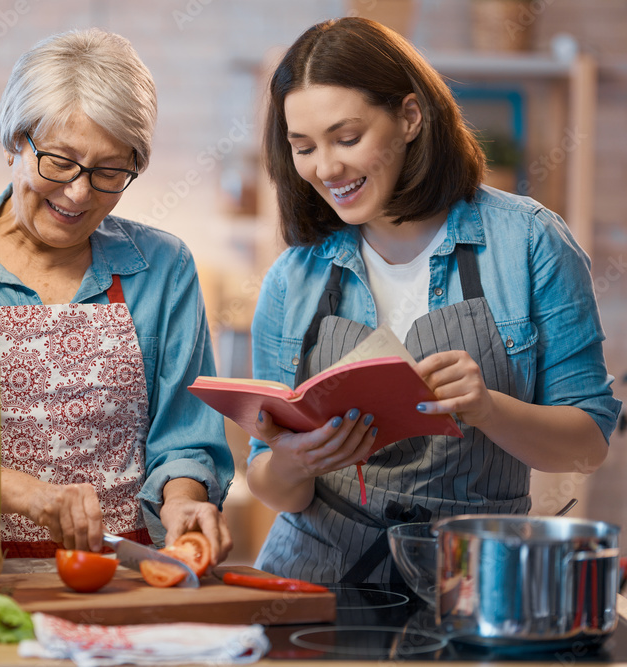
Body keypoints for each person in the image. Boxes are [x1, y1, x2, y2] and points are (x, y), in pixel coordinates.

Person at [246, 17, 621, 584]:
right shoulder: (292, 278)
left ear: (409, 116)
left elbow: (587, 447)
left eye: (347, 138)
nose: (325, 168)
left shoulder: (529, 242)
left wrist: (490, 409)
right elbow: (271, 485)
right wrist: (294, 461)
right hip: (311, 581)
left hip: (472, 580)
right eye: (303, 147)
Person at [0, 28, 234, 563]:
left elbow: (184, 438)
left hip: (118, 575)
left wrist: (184, 501)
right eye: (60, 162)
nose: (78, 192)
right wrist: (23, 493)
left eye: (109, 171)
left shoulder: (164, 268)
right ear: (14, 143)